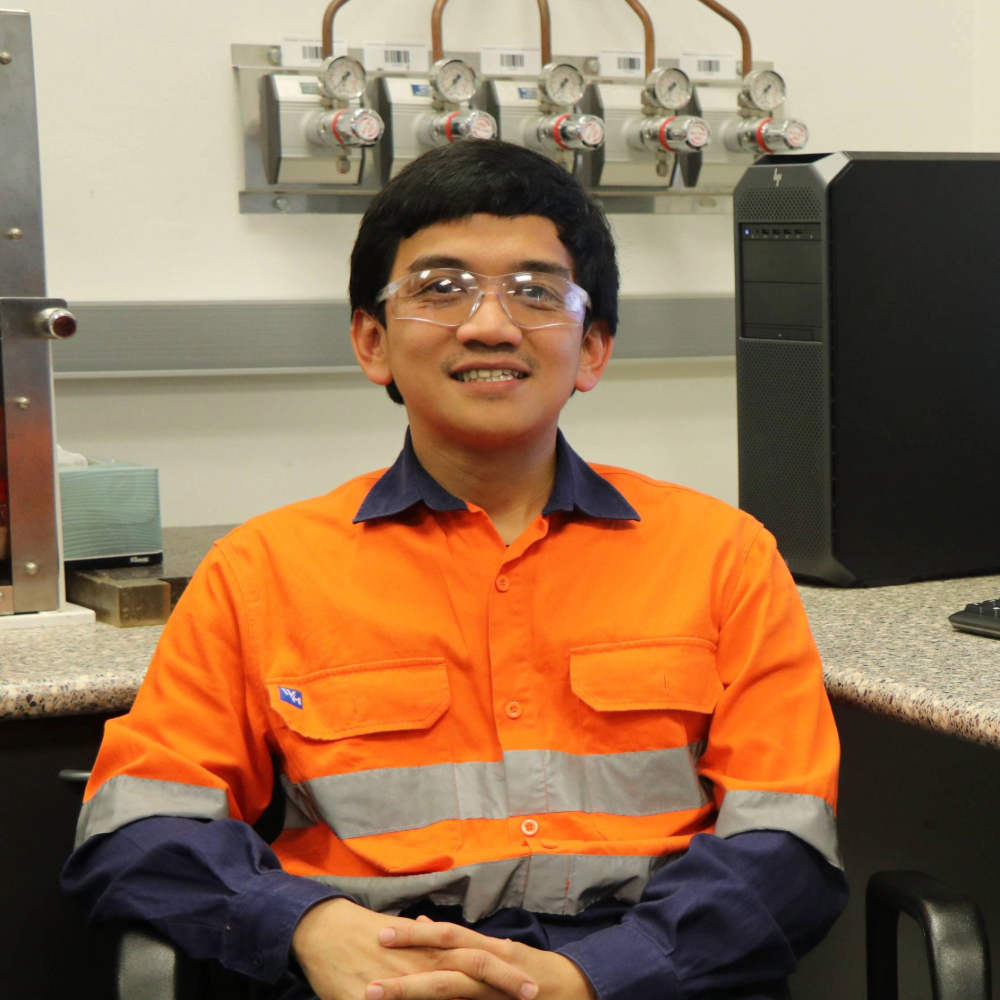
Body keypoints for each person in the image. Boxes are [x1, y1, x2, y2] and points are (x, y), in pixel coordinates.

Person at [63, 139, 848, 1000]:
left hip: (641, 976)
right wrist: (305, 926)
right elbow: (135, 827)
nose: (490, 324)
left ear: (592, 350)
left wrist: (586, 976)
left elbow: (785, 849)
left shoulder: (722, 555)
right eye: (441, 289)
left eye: (536, 292)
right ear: (373, 342)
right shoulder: (265, 570)